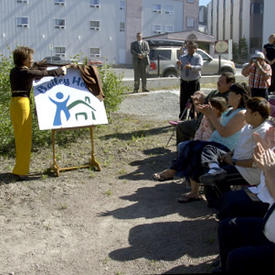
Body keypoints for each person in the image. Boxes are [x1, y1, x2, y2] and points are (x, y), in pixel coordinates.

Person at [153, 83, 248, 203]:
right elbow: (216, 129)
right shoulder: (229, 110)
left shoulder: (241, 113)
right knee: (191, 146)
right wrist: (208, 116)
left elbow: (225, 133)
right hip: (214, 143)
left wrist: (212, 115)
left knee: (193, 147)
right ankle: (193, 191)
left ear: (238, 96)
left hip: (225, 148)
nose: (228, 96)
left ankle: (174, 171)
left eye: (231, 94)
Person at [216, 127, 275, 273]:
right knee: (227, 227)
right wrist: (265, 168)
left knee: (237, 258)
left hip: (271, 235)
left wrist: (268, 172)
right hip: (269, 225)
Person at [199, 97, 272, 209]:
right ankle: (215, 169)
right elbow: (239, 145)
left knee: (215, 179)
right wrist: (229, 155)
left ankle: (222, 206)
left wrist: (233, 161)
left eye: (247, 111)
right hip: (235, 161)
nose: (244, 114)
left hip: (247, 172)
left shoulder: (264, 132)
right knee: (210, 150)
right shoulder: (248, 126)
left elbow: (256, 163)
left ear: (256, 115)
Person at [10, 46, 67, 180]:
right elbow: (41, 74)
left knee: (20, 138)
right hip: (22, 105)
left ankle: (19, 168)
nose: (32, 61)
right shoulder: (25, 72)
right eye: (30, 59)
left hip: (15, 104)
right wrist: (60, 70)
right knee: (24, 139)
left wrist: (40, 65)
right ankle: (22, 171)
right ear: (24, 60)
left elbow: (34, 71)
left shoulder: (15, 71)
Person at [176, 72, 235, 145]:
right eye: (218, 80)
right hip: (200, 122)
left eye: (221, 81)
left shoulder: (230, 98)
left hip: (212, 126)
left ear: (230, 84)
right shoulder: (214, 93)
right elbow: (200, 109)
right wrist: (197, 102)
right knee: (181, 126)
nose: (218, 83)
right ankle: (183, 150)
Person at [177, 40, 203, 119]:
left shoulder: (198, 57)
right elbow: (179, 69)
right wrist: (178, 66)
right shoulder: (182, 57)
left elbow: (200, 67)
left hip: (193, 82)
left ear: (195, 49)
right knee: (183, 100)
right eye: (188, 47)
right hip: (184, 82)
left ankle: (193, 117)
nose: (190, 49)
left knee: (194, 100)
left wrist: (191, 67)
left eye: (192, 48)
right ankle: (182, 117)